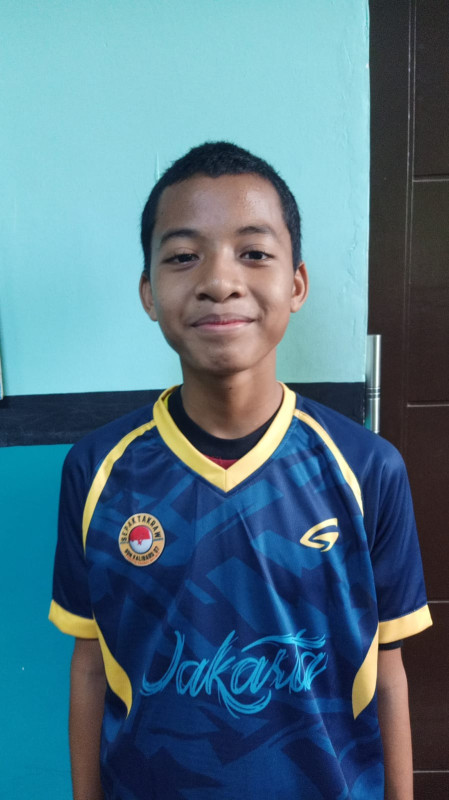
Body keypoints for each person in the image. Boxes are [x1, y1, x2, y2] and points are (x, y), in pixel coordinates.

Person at [49, 141, 432, 800]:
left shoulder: (367, 469)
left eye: (253, 252)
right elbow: (89, 666)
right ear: (148, 292)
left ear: (296, 284)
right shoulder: (98, 470)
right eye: (183, 256)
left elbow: (387, 673)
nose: (219, 281)